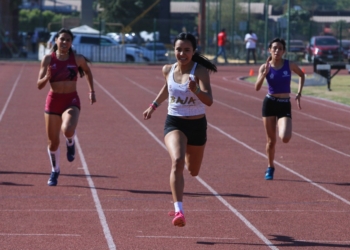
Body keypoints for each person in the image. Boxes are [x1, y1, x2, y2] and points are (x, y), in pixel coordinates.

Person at [143, 32, 217, 227]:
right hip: (174, 123)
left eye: (186, 50)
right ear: (173, 50)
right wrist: (153, 106)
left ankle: (186, 155)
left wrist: (197, 91)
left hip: (197, 125)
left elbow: (209, 101)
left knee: (193, 171)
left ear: (193, 51)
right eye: (178, 49)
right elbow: (167, 88)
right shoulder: (168, 69)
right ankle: (179, 211)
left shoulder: (199, 71)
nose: (182, 53)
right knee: (177, 161)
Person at [37, 28, 96, 186]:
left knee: (68, 128)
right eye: (62, 39)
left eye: (68, 40)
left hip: (71, 100)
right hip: (53, 101)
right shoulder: (48, 59)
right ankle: (55, 170)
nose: (64, 42)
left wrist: (91, 91)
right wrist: (47, 77)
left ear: (71, 43)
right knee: (53, 143)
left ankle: (70, 141)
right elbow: (39, 85)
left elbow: (88, 72)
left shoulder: (77, 59)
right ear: (56, 40)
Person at [255, 38, 304, 180]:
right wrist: (263, 75)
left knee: (285, 137)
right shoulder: (264, 67)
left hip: (284, 104)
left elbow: (301, 75)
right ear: (269, 49)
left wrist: (299, 93)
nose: (277, 51)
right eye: (274, 48)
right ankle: (270, 167)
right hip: (269, 103)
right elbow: (257, 88)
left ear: (284, 51)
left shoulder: (289, 65)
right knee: (271, 141)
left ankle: (281, 125)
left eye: (280, 48)